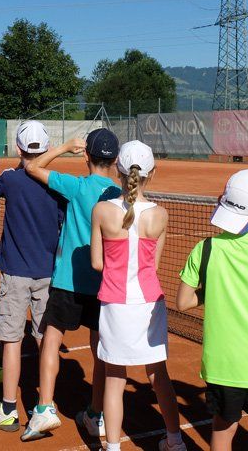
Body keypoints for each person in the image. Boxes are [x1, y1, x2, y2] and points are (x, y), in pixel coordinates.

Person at [21, 128, 122, 442]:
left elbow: (32, 167)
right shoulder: (120, 195)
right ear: (115, 160)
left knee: (51, 339)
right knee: (100, 349)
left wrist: (63, 147)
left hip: (68, 280)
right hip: (105, 283)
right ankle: (96, 414)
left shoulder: (77, 186)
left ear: (87, 156)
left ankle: (44, 409)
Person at [176, 169, 248, 451]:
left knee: (223, 428)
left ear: (222, 202)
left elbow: (183, 302)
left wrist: (214, 288)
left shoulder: (205, 249)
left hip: (223, 363)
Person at [91, 141, 186, 451]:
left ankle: (113, 447)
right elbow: (153, 266)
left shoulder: (102, 211)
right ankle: (175, 441)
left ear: (117, 171)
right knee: (159, 374)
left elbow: (97, 263)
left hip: (115, 304)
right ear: (151, 173)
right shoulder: (160, 215)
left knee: (114, 377)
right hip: (149, 304)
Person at [0, 121, 65, 432]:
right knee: (45, 340)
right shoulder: (57, 184)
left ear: (18, 149)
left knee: (12, 341)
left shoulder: (10, 179)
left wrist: (16, 167)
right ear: (47, 147)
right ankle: (45, 404)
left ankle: (8, 409)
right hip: (48, 274)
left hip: (15, 274)